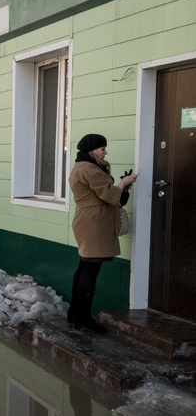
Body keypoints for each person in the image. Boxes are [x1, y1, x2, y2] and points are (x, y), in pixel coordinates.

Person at [67, 134, 138, 333]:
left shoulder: (83, 167)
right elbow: (108, 195)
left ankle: (75, 313)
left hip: (89, 219)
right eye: (102, 148)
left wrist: (123, 188)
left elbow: (108, 196)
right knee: (90, 270)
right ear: (92, 151)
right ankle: (83, 319)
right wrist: (123, 183)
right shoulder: (89, 169)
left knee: (84, 266)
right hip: (94, 222)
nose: (105, 152)